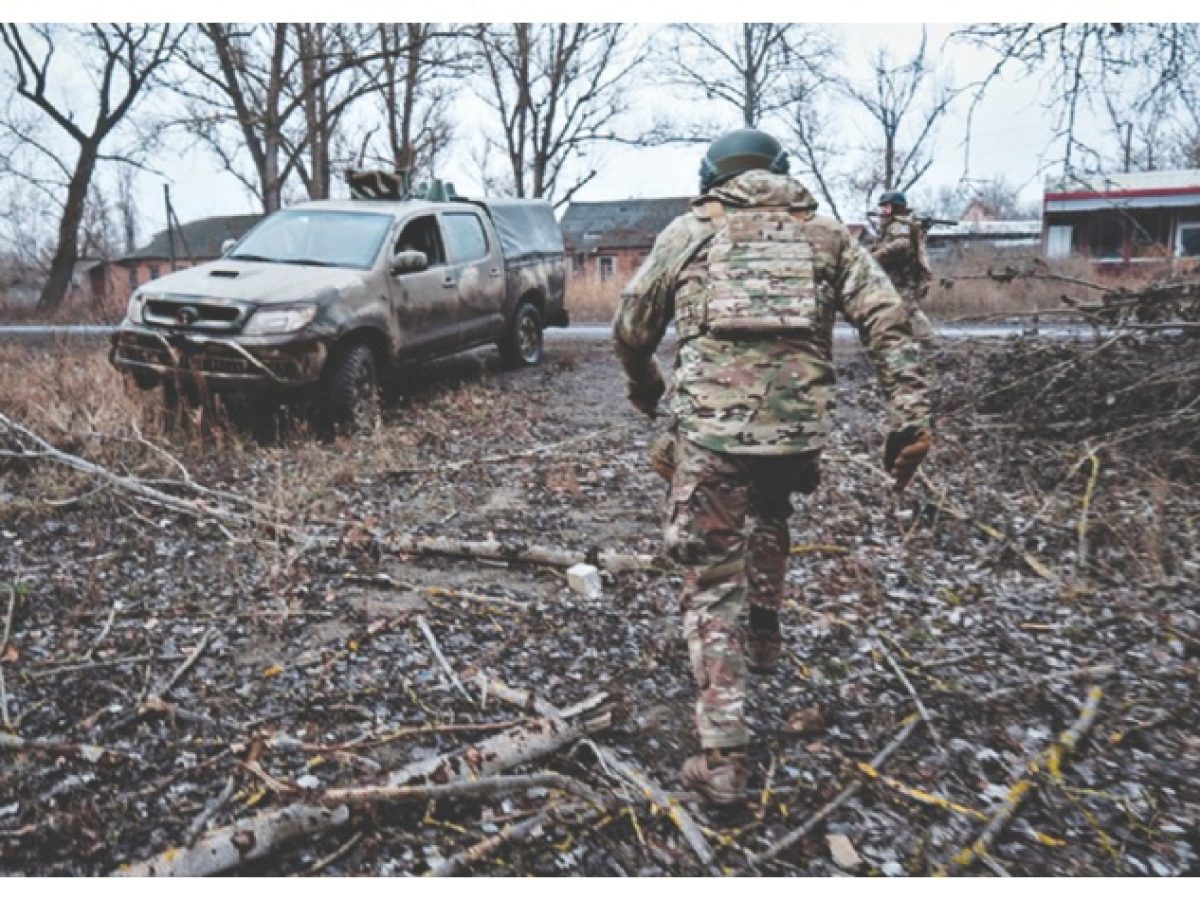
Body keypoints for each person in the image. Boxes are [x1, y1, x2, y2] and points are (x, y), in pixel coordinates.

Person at [612, 128, 933, 806]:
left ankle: (724, 755)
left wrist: (646, 386)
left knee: (710, 576)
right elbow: (889, 321)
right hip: (796, 436)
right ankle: (762, 634)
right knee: (772, 510)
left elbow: (632, 325)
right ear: (780, 173)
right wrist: (908, 413)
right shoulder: (826, 236)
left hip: (714, 436)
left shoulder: (691, 230)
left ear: (712, 177)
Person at [872, 190, 936, 344]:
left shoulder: (900, 224)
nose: (883, 211)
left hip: (904, 275)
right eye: (883, 207)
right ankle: (899, 339)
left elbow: (902, 243)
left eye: (887, 207)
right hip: (893, 275)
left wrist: (878, 254)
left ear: (896, 207)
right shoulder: (892, 225)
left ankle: (927, 339)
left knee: (909, 308)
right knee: (892, 308)